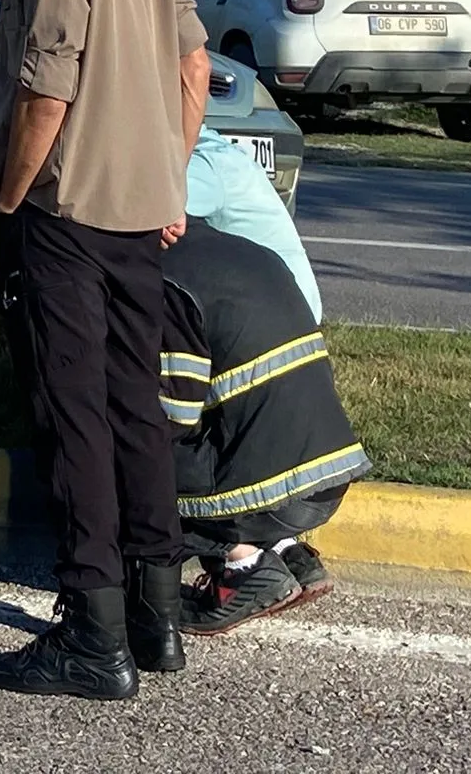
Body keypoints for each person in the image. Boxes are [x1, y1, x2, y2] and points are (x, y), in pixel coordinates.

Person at [0, 0, 212, 702]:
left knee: (69, 413)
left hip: (65, 205)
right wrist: (168, 171)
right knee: (134, 406)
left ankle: (90, 633)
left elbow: (46, 92)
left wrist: (6, 202)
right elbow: (194, 70)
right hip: (143, 203)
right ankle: (157, 619)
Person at [158, 218, 369, 632]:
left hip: (271, 490)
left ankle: (246, 566)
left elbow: (172, 416)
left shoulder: (167, 280)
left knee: (131, 451)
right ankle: (290, 555)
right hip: (331, 473)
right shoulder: (250, 251)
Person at [185, 128, 321, 322]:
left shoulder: (204, 161)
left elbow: (158, 213)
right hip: (295, 305)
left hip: (276, 314)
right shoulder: (220, 150)